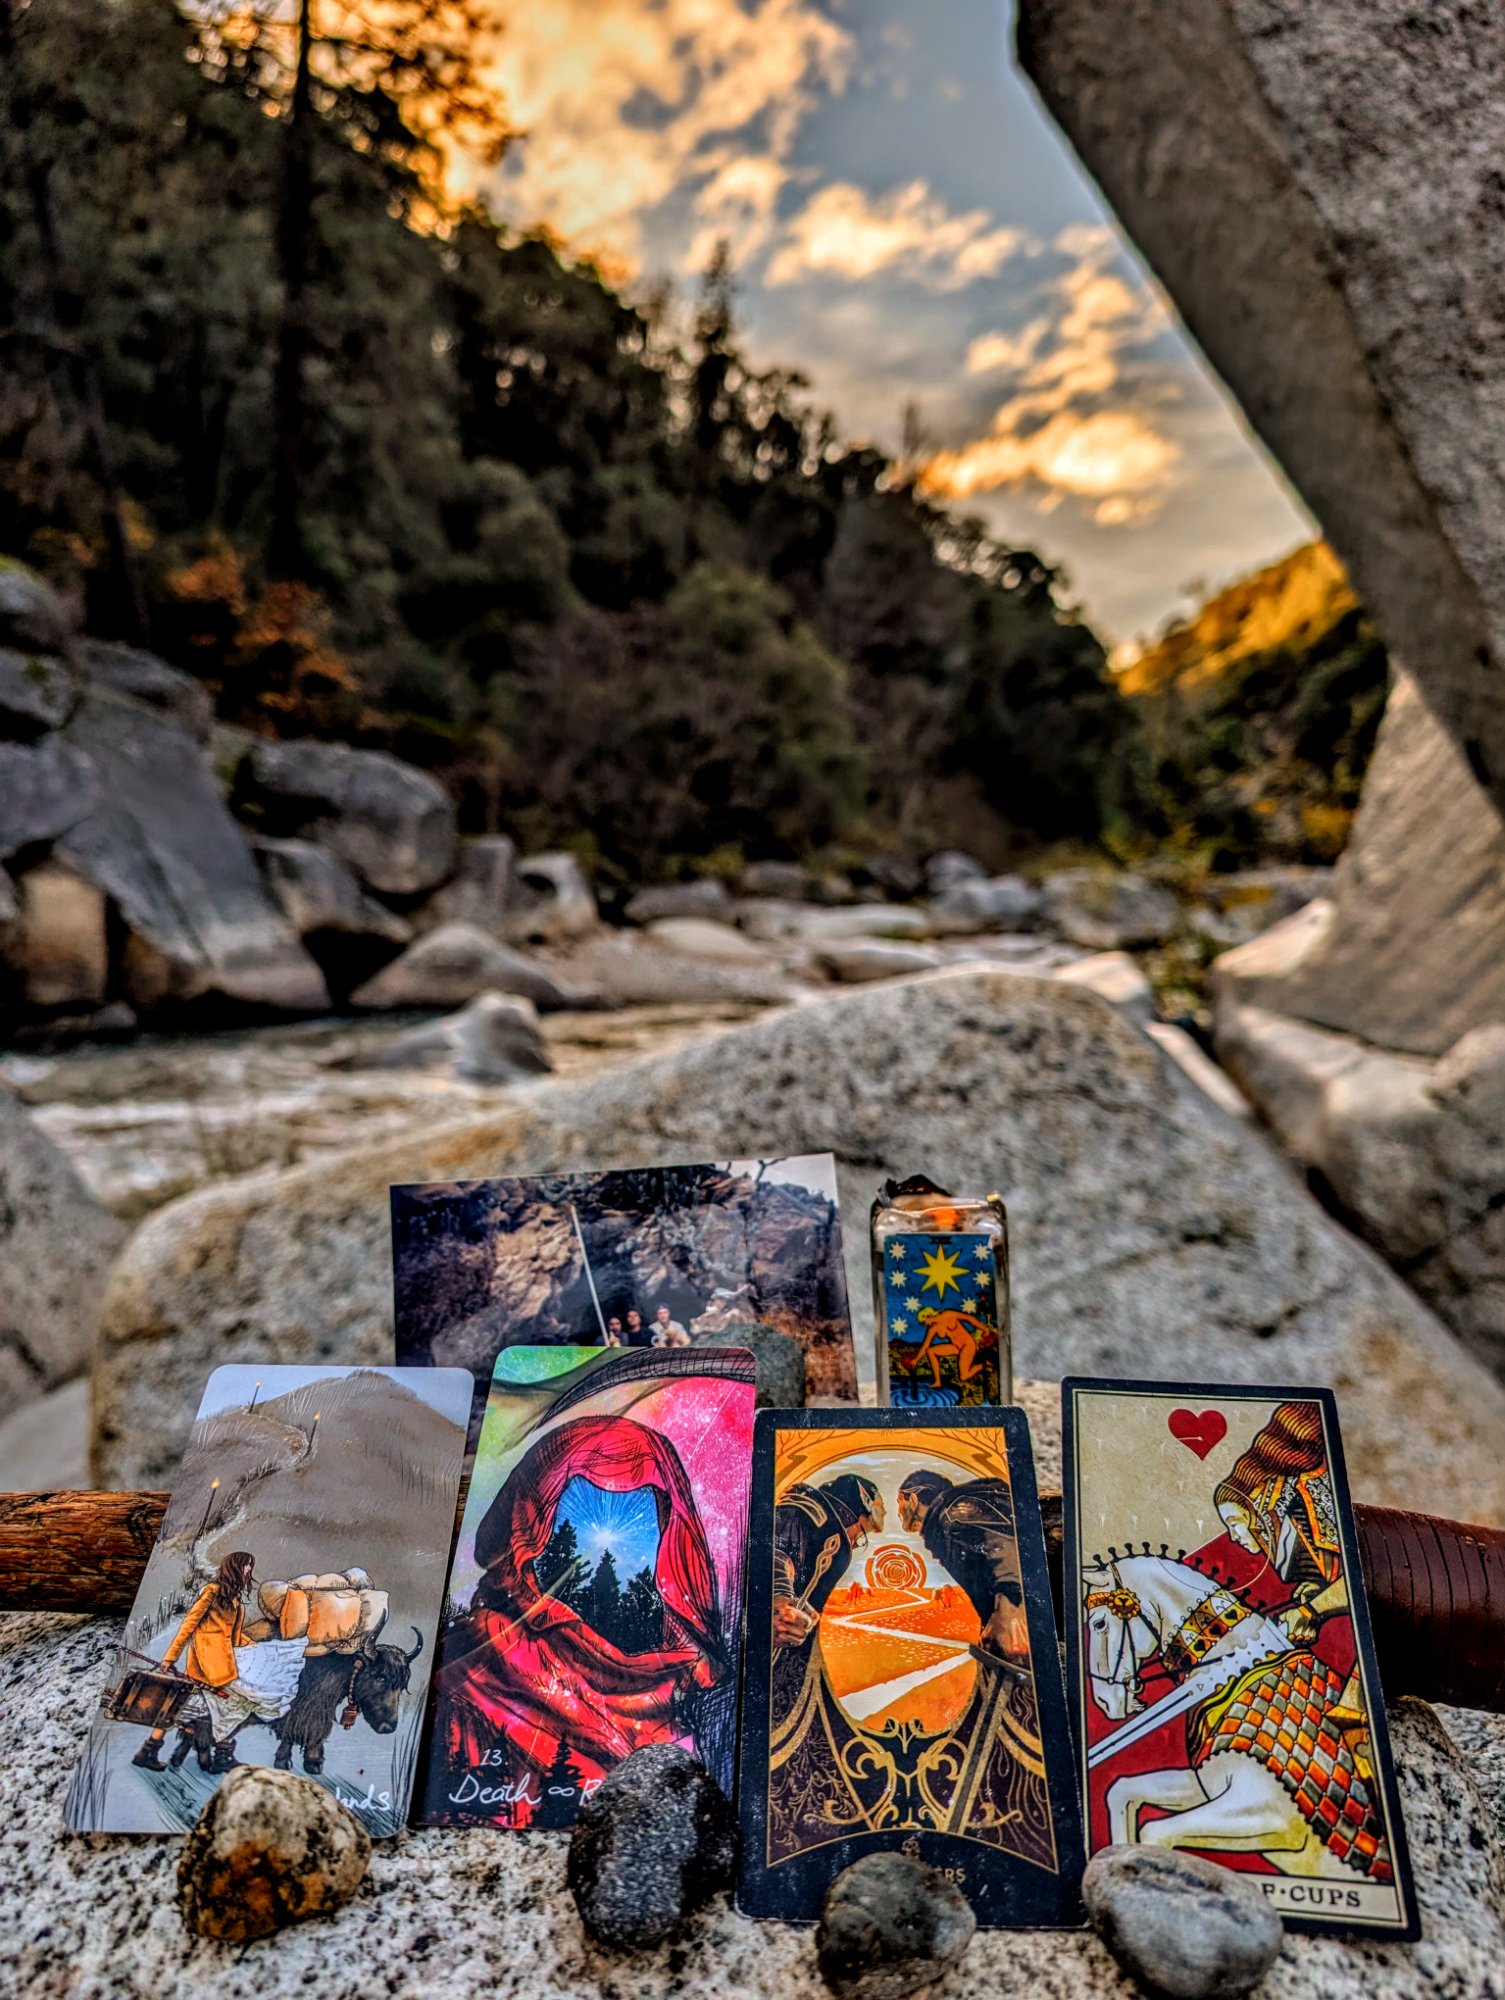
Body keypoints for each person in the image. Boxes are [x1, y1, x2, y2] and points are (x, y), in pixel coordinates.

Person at [133, 1550, 261, 1771]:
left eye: (250, 1565)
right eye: (245, 1565)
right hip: (204, 1664)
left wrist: (262, 1648)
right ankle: (222, 1755)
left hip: (224, 1664)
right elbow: (188, 1627)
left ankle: (149, 1749)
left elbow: (236, 1638)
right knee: (222, 1706)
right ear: (234, 1568)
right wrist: (170, 1657)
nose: (249, 1570)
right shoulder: (211, 1593)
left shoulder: (236, 1602)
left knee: (183, 1707)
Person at [897, 1469, 1028, 1658]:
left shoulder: (955, 1514)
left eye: (899, 1502)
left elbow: (1001, 1546)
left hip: (1014, 1627)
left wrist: (1010, 1607)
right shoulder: (946, 1521)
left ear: (912, 1500)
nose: (898, 1511)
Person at [771, 1474, 884, 1649]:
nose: (854, 1546)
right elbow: (777, 1554)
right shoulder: (798, 1515)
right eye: (859, 1537)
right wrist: (779, 1601)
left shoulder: (814, 1532)